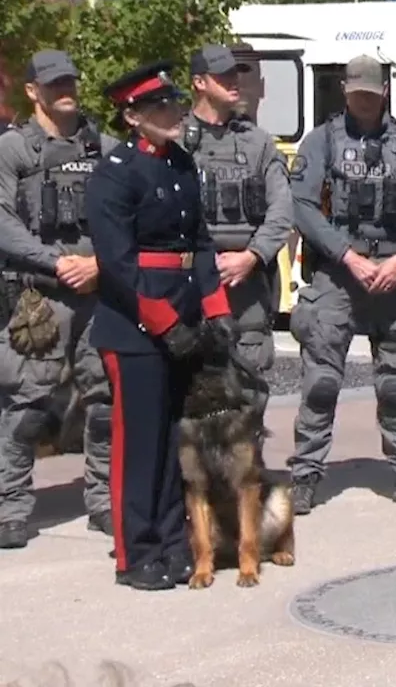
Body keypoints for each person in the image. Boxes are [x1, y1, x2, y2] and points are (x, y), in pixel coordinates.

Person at [86, 61, 238, 590]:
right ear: (132, 116)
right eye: (161, 107)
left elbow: (198, 243)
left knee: (178, 438)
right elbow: (119, 263)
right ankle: (136, 552)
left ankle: (174, 541)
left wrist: (216, 311)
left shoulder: (180, 163)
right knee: (140, 441)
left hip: (184, 314)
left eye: (174, 104)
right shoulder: (114, 172)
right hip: (134, 325)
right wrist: (163, 322)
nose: (174, 113)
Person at [287, 54, 396, 515]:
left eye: (370, 91)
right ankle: (305, 474)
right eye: (355, 90)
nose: (362, 98)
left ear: (383, 91)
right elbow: (301, 203)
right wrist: (346, 255)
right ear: (344, 90)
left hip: (392, 278)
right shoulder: (320, 141)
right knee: (320, 384)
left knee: (395, 387)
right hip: (338, 277)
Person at [0, 49, 117, 550]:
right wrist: (54, 262)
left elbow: (128, 219)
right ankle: (12, 508)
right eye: (54, 83)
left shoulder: (105, 148)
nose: (65, 89)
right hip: (39, 298)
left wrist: (100, 265)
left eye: (70, 80)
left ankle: (104, 502)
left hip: (98, 294)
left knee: (106, 403)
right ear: (33, 91)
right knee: (26, 407)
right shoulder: (14, 150)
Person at [182, 44, 294, 421]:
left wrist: (252, 256)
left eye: (236, 74)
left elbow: (283, 210)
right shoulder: (176, 141)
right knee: (189, 387)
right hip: (190, 281)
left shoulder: (258, 142)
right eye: (223, 76)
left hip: (247, 282)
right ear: (199, 82)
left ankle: (246, 477)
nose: (234, 82)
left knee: (249, 385)